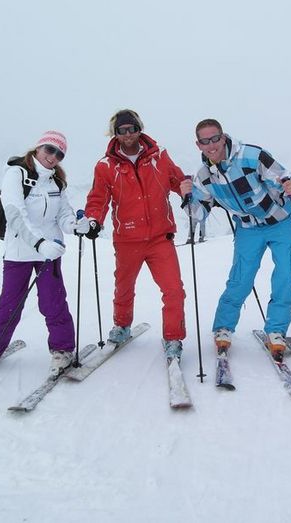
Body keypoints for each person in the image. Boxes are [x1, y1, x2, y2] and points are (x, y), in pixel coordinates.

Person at [0, 130, 90, 377]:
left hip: (50, 251)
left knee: (53, 302)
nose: (53, 157)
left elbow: (63, 213)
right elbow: (15, 213)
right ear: (38, 148)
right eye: (49, 149)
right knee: (9, 305)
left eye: (59, 154)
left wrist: (76, 225)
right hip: (20, 251)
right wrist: (39, 243)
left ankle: (63, 350)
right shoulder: (16, 174)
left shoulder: (56, 182)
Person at [179, 118, 291, 362]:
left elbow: (287, 178)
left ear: (223, 137)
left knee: (284, 276)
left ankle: (276, 329)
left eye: (215, 138)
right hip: (248, 229)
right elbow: (199, 214)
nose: (212, 145)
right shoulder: (204, 178)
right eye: (205, 141)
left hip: (281, 222)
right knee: (240, 279)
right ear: (198, 145)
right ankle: (223, 327)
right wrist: (187, 197)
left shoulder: (251, 156)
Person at [84, 109, 187, 361]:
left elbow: (176, 179)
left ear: (139, 129)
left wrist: (187, 191)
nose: (128, 134)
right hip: (127, 239)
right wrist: (93, 220)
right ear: (115, 133)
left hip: (160, 237)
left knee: (173, 289)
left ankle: (173, 338)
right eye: (122, 130)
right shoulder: (105, 165)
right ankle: (121, 326)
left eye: (132, 128)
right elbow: (99, 198)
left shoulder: (159, 156)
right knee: (124, 287)